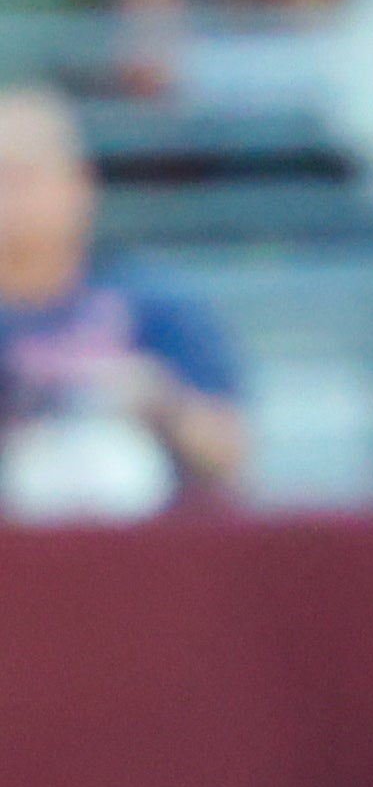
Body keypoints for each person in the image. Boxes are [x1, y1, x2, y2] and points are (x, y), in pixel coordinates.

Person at [0, 85, 239, 521]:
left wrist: (160, 400)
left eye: (23, 178)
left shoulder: (153, 300)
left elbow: (232, 454)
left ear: (78, 183)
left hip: (146, 554)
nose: (11, 201)